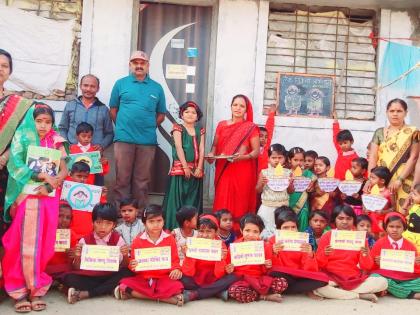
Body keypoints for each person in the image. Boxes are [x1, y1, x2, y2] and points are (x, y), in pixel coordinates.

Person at [2, 103, 68, 312]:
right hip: (25, 195)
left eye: (48, 122)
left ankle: (36, 288)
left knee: (44, 241)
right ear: (32, 120)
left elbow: (66, 167)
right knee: (20, 242)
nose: (43, 126)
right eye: (39, 121)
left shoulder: (56, 139)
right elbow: (15, 165)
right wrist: (39, 176)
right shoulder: (22, 137)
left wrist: (50, 183)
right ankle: (18, 290)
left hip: (47, 197)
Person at [109, 51, 166, 209]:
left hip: (147, 141)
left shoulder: (157, 87)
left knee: (142, 181)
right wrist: (122, 126)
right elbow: (113, 110)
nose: (139, 66)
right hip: (124, 139)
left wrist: (148, 125)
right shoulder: (121, 84)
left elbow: (162, 114)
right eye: (135, 63)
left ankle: (140, 214)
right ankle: (120, 214)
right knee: (122, 179)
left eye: (142, 63)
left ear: (148, 66)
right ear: (130, 65)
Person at [207, 94, 260, 232]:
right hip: (224, 168)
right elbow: (215, 146)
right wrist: (212, 155)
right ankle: (219, 230)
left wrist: (243, 157)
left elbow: (256, 152)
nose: (238, 108)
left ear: (246, 109)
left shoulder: (250, 127)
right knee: (223, 198)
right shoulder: (222, 125)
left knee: (240, 200)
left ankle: (239, 232)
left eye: (242, 106)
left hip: (242, 170)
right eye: (235, 105)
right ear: (230, 106)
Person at [313, 205, 388, 302]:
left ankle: (341, 291)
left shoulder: (359, 237)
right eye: (340, 218)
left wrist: (365, 254)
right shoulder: (327, 236)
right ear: (334, 220)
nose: (344, 222)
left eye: (348, 219)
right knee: (317, 286)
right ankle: (358, 295)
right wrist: (324, 254)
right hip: (331, 277)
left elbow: (367, 266)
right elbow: (319, 264)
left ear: (353, 220)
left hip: (353, 278)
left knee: (383, 282)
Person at [115, 205, 184, 306]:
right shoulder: (138, 240)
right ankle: (166, 299)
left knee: (178, 288)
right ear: (144, 223)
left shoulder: (169, 239)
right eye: (151, 221)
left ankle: (136, 295)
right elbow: (133, 263)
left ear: (164, 221)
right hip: (144, 278)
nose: (155, 224)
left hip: (163, 277)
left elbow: (175, 260)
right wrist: (132, 264)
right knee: (123, 285)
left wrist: (176, 269)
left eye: (159, 221)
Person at [65, 203, 132, 304]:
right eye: (99, 222)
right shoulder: (85, 240)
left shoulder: (118, 239)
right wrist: (77, 257)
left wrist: (126, 255)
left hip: (110, 275)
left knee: (128, 272)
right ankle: (108, 289)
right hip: (91, 276)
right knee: (69, 278)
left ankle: (87, 294)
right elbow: (77, 268)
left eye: (108, 223)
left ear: (114, 225)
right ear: (92, 223)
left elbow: (124, 265)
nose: (103, 227)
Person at [0, 49, 33, 247]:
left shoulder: (18, 105)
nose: (0, 70)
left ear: (10, 72)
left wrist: (4, 156)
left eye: (4, 66)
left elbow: (24, 136)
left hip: (5, 169)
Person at [368, 98, 419, 212]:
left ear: (406, 113)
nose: (395, 114)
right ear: (387, 112)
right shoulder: (379, 132)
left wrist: (399, 180)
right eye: (392, 111)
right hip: (380, 180)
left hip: (403, 179)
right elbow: (373, 156)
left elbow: (414, 157)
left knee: (401, 211)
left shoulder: (413, 132)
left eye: (399, 111)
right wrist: (370, 179)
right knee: (379, 211)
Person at [226, 214, 288, 303]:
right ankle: (263, 296)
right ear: (241, 230)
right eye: (247, 230)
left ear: (260, 233)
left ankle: (255, 293)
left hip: (260, 279)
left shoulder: (265, 246)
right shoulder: (235, 246)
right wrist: (229, 269)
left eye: (255, 232)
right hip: (242, 280)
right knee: (234, 290)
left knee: (282, 283)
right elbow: (229, 267)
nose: (251, 235)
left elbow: (267, 271)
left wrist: (267, 266)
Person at [269, 209, 328, 299]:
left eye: (293, 227)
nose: (290, 230)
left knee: (323, 279)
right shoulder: (273, 240)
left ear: (297, 228)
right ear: (278, 229)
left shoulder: (302, 240)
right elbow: (269, 266)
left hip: (299, 275)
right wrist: (273, 252)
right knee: (275, 272)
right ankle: (300, 289)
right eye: (286, 227)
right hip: (283, 275)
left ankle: (286, 289)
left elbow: (309, 269)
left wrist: (310, 255)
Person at [163, 102, 205, 230]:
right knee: (177, 201)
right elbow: (179, 147)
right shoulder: (178, 128)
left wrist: (199, 168)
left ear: (197, 116)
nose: (190, 114)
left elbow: (202, 149)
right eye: (187, 112)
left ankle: (192, 229)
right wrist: (185, 167)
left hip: (196, 171)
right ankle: (174, 228)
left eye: (193, 112)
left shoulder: (200, 130)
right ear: (181, 114)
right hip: (180, 170)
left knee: (192, 200)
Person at [181, 214, 239, 302]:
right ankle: (216, 292)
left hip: (214, 279)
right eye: (201, 231)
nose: (204, 235)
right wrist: (188, 256)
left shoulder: (220, 245)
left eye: (208, 231)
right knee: (181, 277)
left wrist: (221, 259)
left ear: (216, 232)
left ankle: (195, 294)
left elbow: (219, 274)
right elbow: (188, 272)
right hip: (195, 280)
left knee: (233, 277)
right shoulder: (193, 244)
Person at [370, 212, 420, 299]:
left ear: (404, 228)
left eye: (398, 227)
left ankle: (390, 290)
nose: (394, 230)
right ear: (386, 228)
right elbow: (370, 266)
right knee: (374, 277)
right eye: (391, 226)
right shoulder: (379, 243)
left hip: (405, 278)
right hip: (386, 277)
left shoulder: (410, 245)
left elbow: (416, 269)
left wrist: (417, 262)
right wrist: (376, 262)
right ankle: (411, 294)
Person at [58, 74, 114, 152]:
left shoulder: (103, 109)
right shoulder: (70, 105)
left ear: (98, 89)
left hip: (93, 153)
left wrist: (102, 146)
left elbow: (109, 133)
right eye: (85, 85)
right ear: (80, 86)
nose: (88, 89)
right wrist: (66, 145)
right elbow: (62, 128)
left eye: (92, 86)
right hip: (72, 152)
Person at [256, 144, 292, 239]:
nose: (277, 160)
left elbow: (291, 191)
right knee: (265, 231)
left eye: (280, 157)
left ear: (285, 158)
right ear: (268, 158)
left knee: (281, 230)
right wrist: (262, 183)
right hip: (267, 207)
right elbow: (258, 190)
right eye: (274, 157)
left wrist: (291, 183)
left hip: (282, 207)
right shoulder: (264, 172)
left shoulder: (288, 172)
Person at [46, 202, 77, 280]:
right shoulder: (45, 232)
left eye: (68, 217)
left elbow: (71, 262)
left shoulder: (72, 235)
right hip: (45, 268)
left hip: (63, 269)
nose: (64, 220)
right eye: (60, 216)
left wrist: (72, 255)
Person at [287, 147, 316, 231]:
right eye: (295, 160)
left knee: (302, 225)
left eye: (301, 160)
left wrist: (311, 187)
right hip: (288, 204)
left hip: (303, 206)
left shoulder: (308, 173)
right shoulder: (286, 173)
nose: (299, 163)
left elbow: (313, 186)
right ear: (289, 160)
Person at [365, 166, 393, 237]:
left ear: (382, 181)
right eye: (370, 177)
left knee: (380, 238)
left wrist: (383, 212)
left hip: (381, 221)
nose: (370, 179)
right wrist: (365, 209)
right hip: (370, 219)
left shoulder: (388, 192)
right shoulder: (369, 190)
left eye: (373, 178)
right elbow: (364, 203)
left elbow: (393, 208)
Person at [258, 104, 276, 174]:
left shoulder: (266, 147)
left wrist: (271, 114)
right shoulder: (252, 150)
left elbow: (269, 129)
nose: (264, 139)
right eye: (261, 136)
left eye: (266, 137)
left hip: (263, 178)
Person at [402, 183, 420, 252]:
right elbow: (406, 217)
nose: (411, 196)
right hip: (409, 236)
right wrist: (406, 205)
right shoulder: (414, 206)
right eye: (412, 193)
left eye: (415, 194)